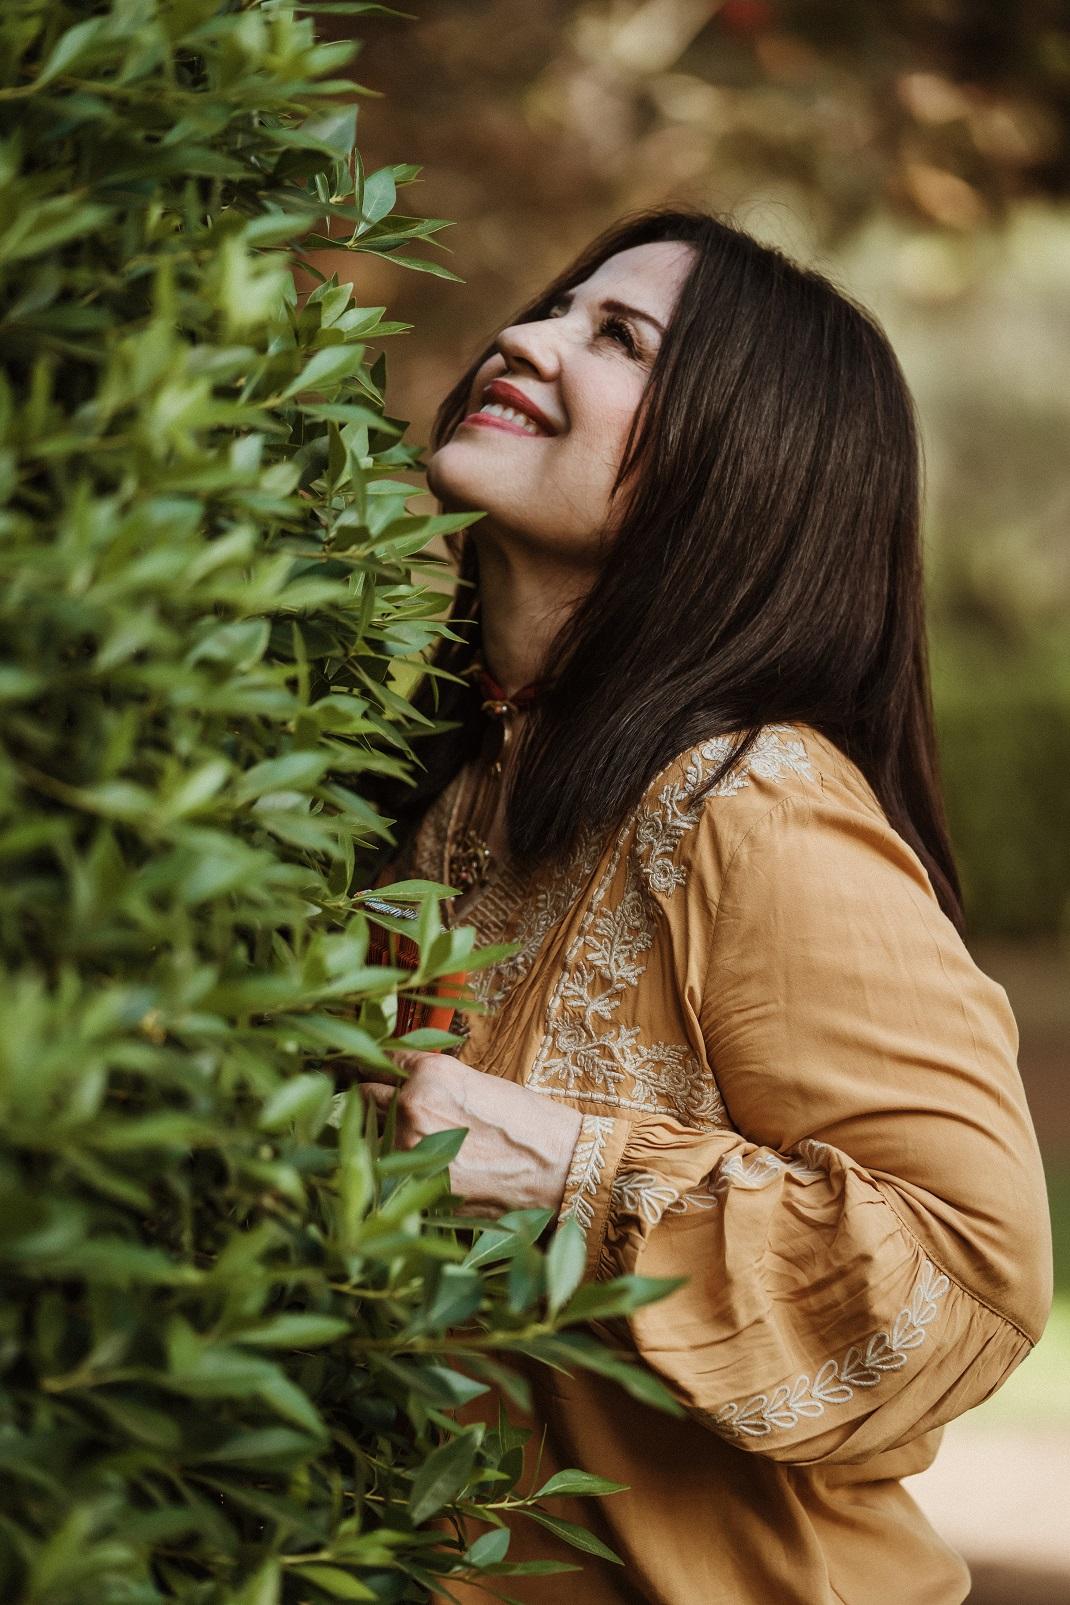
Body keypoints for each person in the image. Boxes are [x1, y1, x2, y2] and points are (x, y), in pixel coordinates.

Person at [359, 209, 1053, 1604]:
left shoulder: (755, 803)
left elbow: (971, 1276)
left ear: (734, 468)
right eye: (556, 305)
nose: (525, 338)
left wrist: (561, 1168)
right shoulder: (445, 788)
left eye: (615, 338)